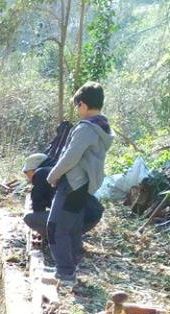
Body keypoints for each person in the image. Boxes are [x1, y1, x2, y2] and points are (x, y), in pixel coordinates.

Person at [46, 81, 114, 284]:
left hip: (73, 183)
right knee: (73, 226)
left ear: (83, 104)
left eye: (77, 105)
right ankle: (70, 267)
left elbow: (70, 157)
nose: (77, 110)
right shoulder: (102, 126)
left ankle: (65, 273)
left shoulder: (86, 129)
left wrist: (52, 176)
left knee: (56, 226)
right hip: (84, 184)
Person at [21, 152, 54, 237]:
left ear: (34, 169)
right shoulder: (54, 170)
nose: (27, 177)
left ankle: (52, 239)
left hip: (73, 220)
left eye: (26, 172)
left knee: (30, 218)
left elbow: (37, 203)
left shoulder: (41, 173)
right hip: (88, 218)